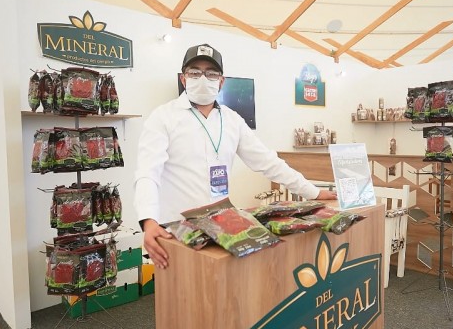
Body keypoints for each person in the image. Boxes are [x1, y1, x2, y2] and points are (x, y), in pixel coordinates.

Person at [134, 43, 337, 269]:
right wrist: (148, 221)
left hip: (220, 226)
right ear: (184, 78)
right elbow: (147, 172)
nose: (203, 78)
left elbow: (268, 162)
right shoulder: (163, 117)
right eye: (195, 72)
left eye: (211, 73)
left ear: (221, 81)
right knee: (184, 288)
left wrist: (313, 192)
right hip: (176, 229)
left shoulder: (232, 120)